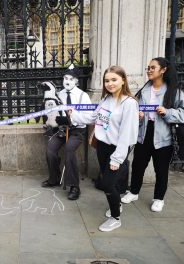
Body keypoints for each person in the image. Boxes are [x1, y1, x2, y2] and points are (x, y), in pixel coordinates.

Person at [121, 57, 184, 212]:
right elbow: (135, 110)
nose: (149, 70)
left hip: (163, 137)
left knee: (160, 170)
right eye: (148, 67)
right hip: (144, 134)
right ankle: (134, 192)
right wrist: (138, 115)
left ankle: (159, 198)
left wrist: (168, 112)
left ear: (163, 70)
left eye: (153, 67)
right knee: (138, 165)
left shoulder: (174, 92)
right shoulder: (144, 90)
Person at [78, 66, 139, 231]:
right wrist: (72, 116)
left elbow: (126, 134)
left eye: (114, 80)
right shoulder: (106, 100)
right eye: (107, 80)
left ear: (123, 80)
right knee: (108, 181)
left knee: (106, 184)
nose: (110, 83)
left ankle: (115, 218)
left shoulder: (129, 103)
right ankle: (117, 205)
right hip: (103, 146)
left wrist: (117, 158)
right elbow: (93, 117)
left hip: (117, 149)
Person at [41, 64, 92, 201]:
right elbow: (53, 111)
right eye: (65, 78)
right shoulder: (59, 95)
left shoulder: (83, 96)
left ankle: (74, 186)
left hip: (77, 131)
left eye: (70, 78)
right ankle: (54, 179)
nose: (67, 81)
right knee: (50, 150)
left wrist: (73, 117)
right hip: (61, 130)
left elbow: (89, 117)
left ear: (76, 81)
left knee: (69, 149)